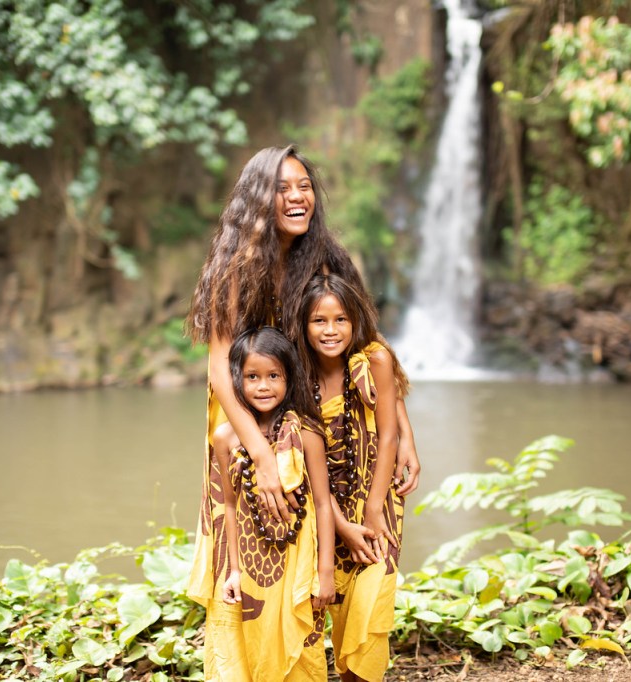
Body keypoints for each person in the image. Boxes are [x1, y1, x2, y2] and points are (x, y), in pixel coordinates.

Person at [185, 144, 420, 676]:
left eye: (304, 185)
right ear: (257, 200)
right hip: (250, 413)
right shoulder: (236, 266)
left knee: (340, 523)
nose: (297, 197)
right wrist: (260, 454)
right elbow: (220, 371)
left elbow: (369, 341)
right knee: (261, 552)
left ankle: (340, 653)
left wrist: (403, 431)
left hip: (313, 414)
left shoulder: (326, 256)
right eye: (282, 187)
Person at [290, 273, 404, 682]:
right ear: (303, 326)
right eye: (319, 320)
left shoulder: (375, 361)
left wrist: (374, 510)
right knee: (326, 605)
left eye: (340, 319)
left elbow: (389, 434)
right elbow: (306, 469)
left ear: (355, 321)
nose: (331, 330)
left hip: (377, 498)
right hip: (323, 510)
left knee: (371, 604)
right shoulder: (297, 378)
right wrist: (340, 525)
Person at [214, 326, 335, 680]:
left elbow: (324, 505)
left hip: (298, 561)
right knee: (255, 646)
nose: (263, 386)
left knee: (302, 652)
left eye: (273, 376)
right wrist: (234, 570)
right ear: (237, 379)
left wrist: (324, 573)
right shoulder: (225, 438)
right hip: (253, 564)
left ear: (289, 377)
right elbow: (230, 506)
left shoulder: (307, 432)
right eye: (252, 376)